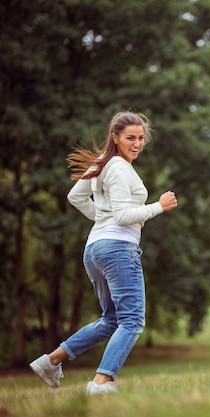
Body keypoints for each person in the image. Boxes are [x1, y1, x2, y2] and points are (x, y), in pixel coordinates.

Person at [29, 111, 178, 394]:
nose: (137, 144)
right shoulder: (120, 168)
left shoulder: (103, 163)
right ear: (116, 138)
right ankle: (101, 382)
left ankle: (51, 361)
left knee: (111, 319)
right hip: (119, 248)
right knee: (132, 320)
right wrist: (159, 206)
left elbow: (75, 197)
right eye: (130, 138)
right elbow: (122, 215)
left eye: (140, 138)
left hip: (95, 249)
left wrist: (100, 216)